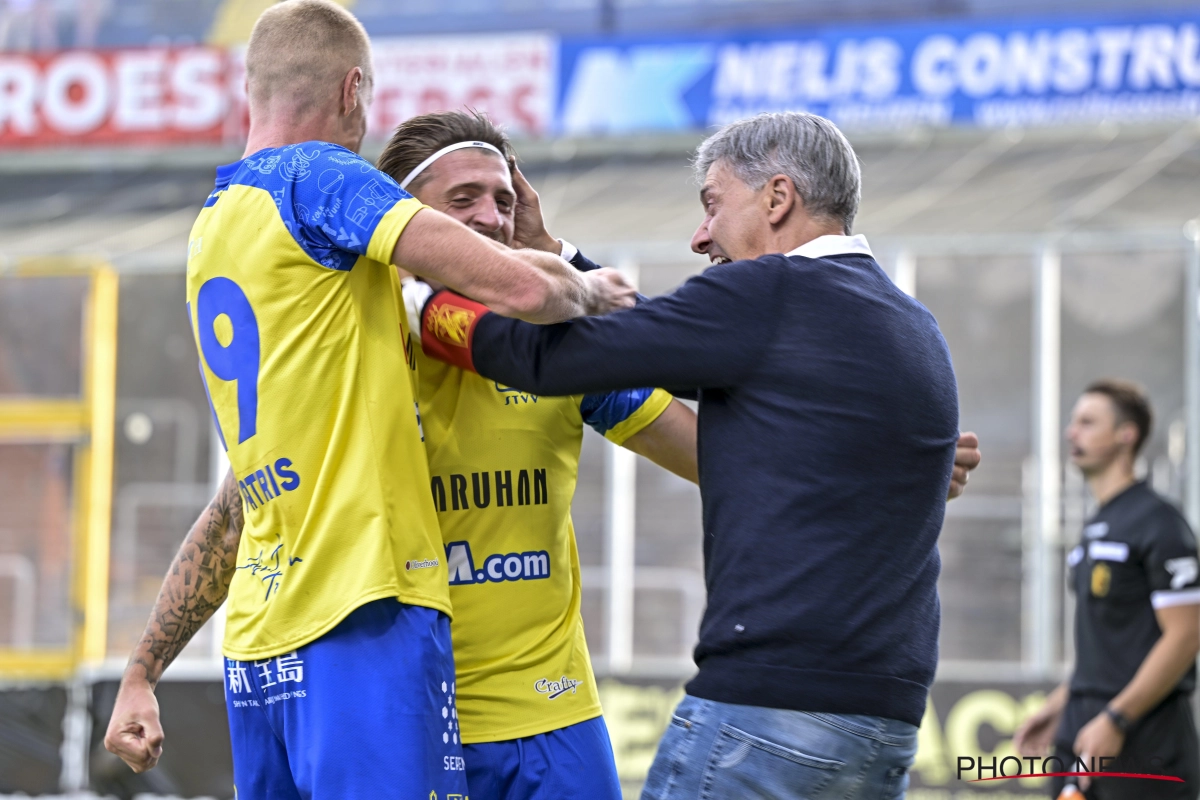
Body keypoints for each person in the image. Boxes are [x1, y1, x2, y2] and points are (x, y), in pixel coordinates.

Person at [101, 1, 635, 797]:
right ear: (353, 90)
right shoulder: (318, 178)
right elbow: (522, 287)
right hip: (361, 618)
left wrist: (141, 669)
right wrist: (585, 282)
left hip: (260, 643)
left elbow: (239, 501)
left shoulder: (217, 229)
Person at [413, 110, 967, 799]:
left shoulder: (766, 294)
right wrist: (557, 250)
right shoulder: (911, 323)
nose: (701, 236)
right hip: (883, 725)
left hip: (767, 712)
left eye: (713, 204)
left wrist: (422, 297)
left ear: (777, 197)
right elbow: (671, 340)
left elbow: (545, 360)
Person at [377, 109, 699, 800]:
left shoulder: (557, 353)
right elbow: (245, 505)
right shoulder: (358, 351)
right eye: (461, 200)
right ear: (404, 222)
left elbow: (717, 455)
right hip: (407, 719)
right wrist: (145, 672)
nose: (491, 218)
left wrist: (877, 464)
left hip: (550, 715)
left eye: (503, 200)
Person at [1015, 380, 1200, 800]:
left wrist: (1116, 719)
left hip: (1144, 746)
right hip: (1080, 734)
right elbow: (1108, 651)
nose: (1071, 432)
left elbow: (1187, 634)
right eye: (1072, 422)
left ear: (1126, 434)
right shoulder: (1097, 525)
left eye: (1087, 422)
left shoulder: (1160, 522)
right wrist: (1059, 705)